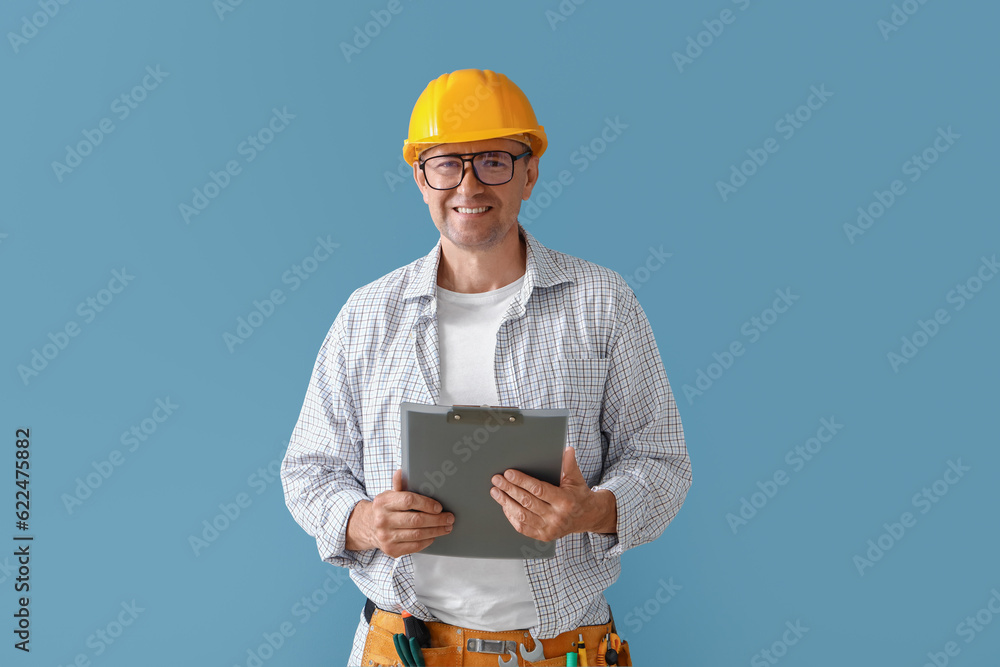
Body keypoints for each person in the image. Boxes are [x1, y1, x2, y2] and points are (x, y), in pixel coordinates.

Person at [281, 68, 691, 667]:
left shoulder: (602, 303)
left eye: (495, 160)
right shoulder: (368, 314)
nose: (468, 184)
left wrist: (594, 511)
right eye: (447, 162)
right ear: (420, 178)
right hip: (403, 649)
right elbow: (309, 470)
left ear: (530, 170)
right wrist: (364, 522)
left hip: (563, 651)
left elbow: (664, 463)